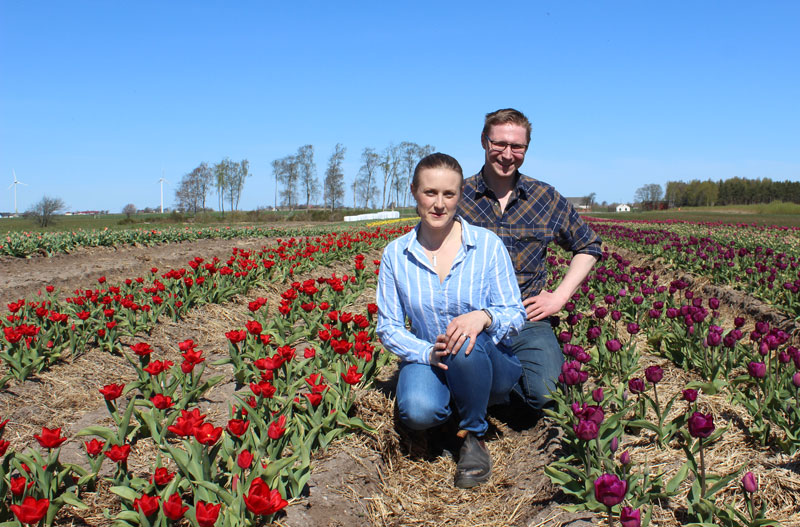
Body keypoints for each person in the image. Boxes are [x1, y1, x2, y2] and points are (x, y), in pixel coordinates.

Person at [376, 152, 525, 489]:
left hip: (485, 357)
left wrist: (483, 317)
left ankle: (473, 435)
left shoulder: (487, 246)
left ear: (460, 195)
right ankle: (451, 412)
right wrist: (427, 353)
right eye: (430, 193)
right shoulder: (396, 255)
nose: (439, 204)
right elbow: (388, 327)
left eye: (449, 194)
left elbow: (516, 314)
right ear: (414, 191)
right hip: (430, 357)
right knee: (416, 412)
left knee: (464, 341)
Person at [458, 108, 602, 413]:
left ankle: (488, 388)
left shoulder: (544, 198)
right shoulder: (458, 196)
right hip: (470, 317)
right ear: (484, 141)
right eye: (499, 144)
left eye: (517, 147)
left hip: (526, 318)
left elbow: (588, 245)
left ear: (526, 148)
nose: (508, 154)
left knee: (546, 395)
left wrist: (559, 297)